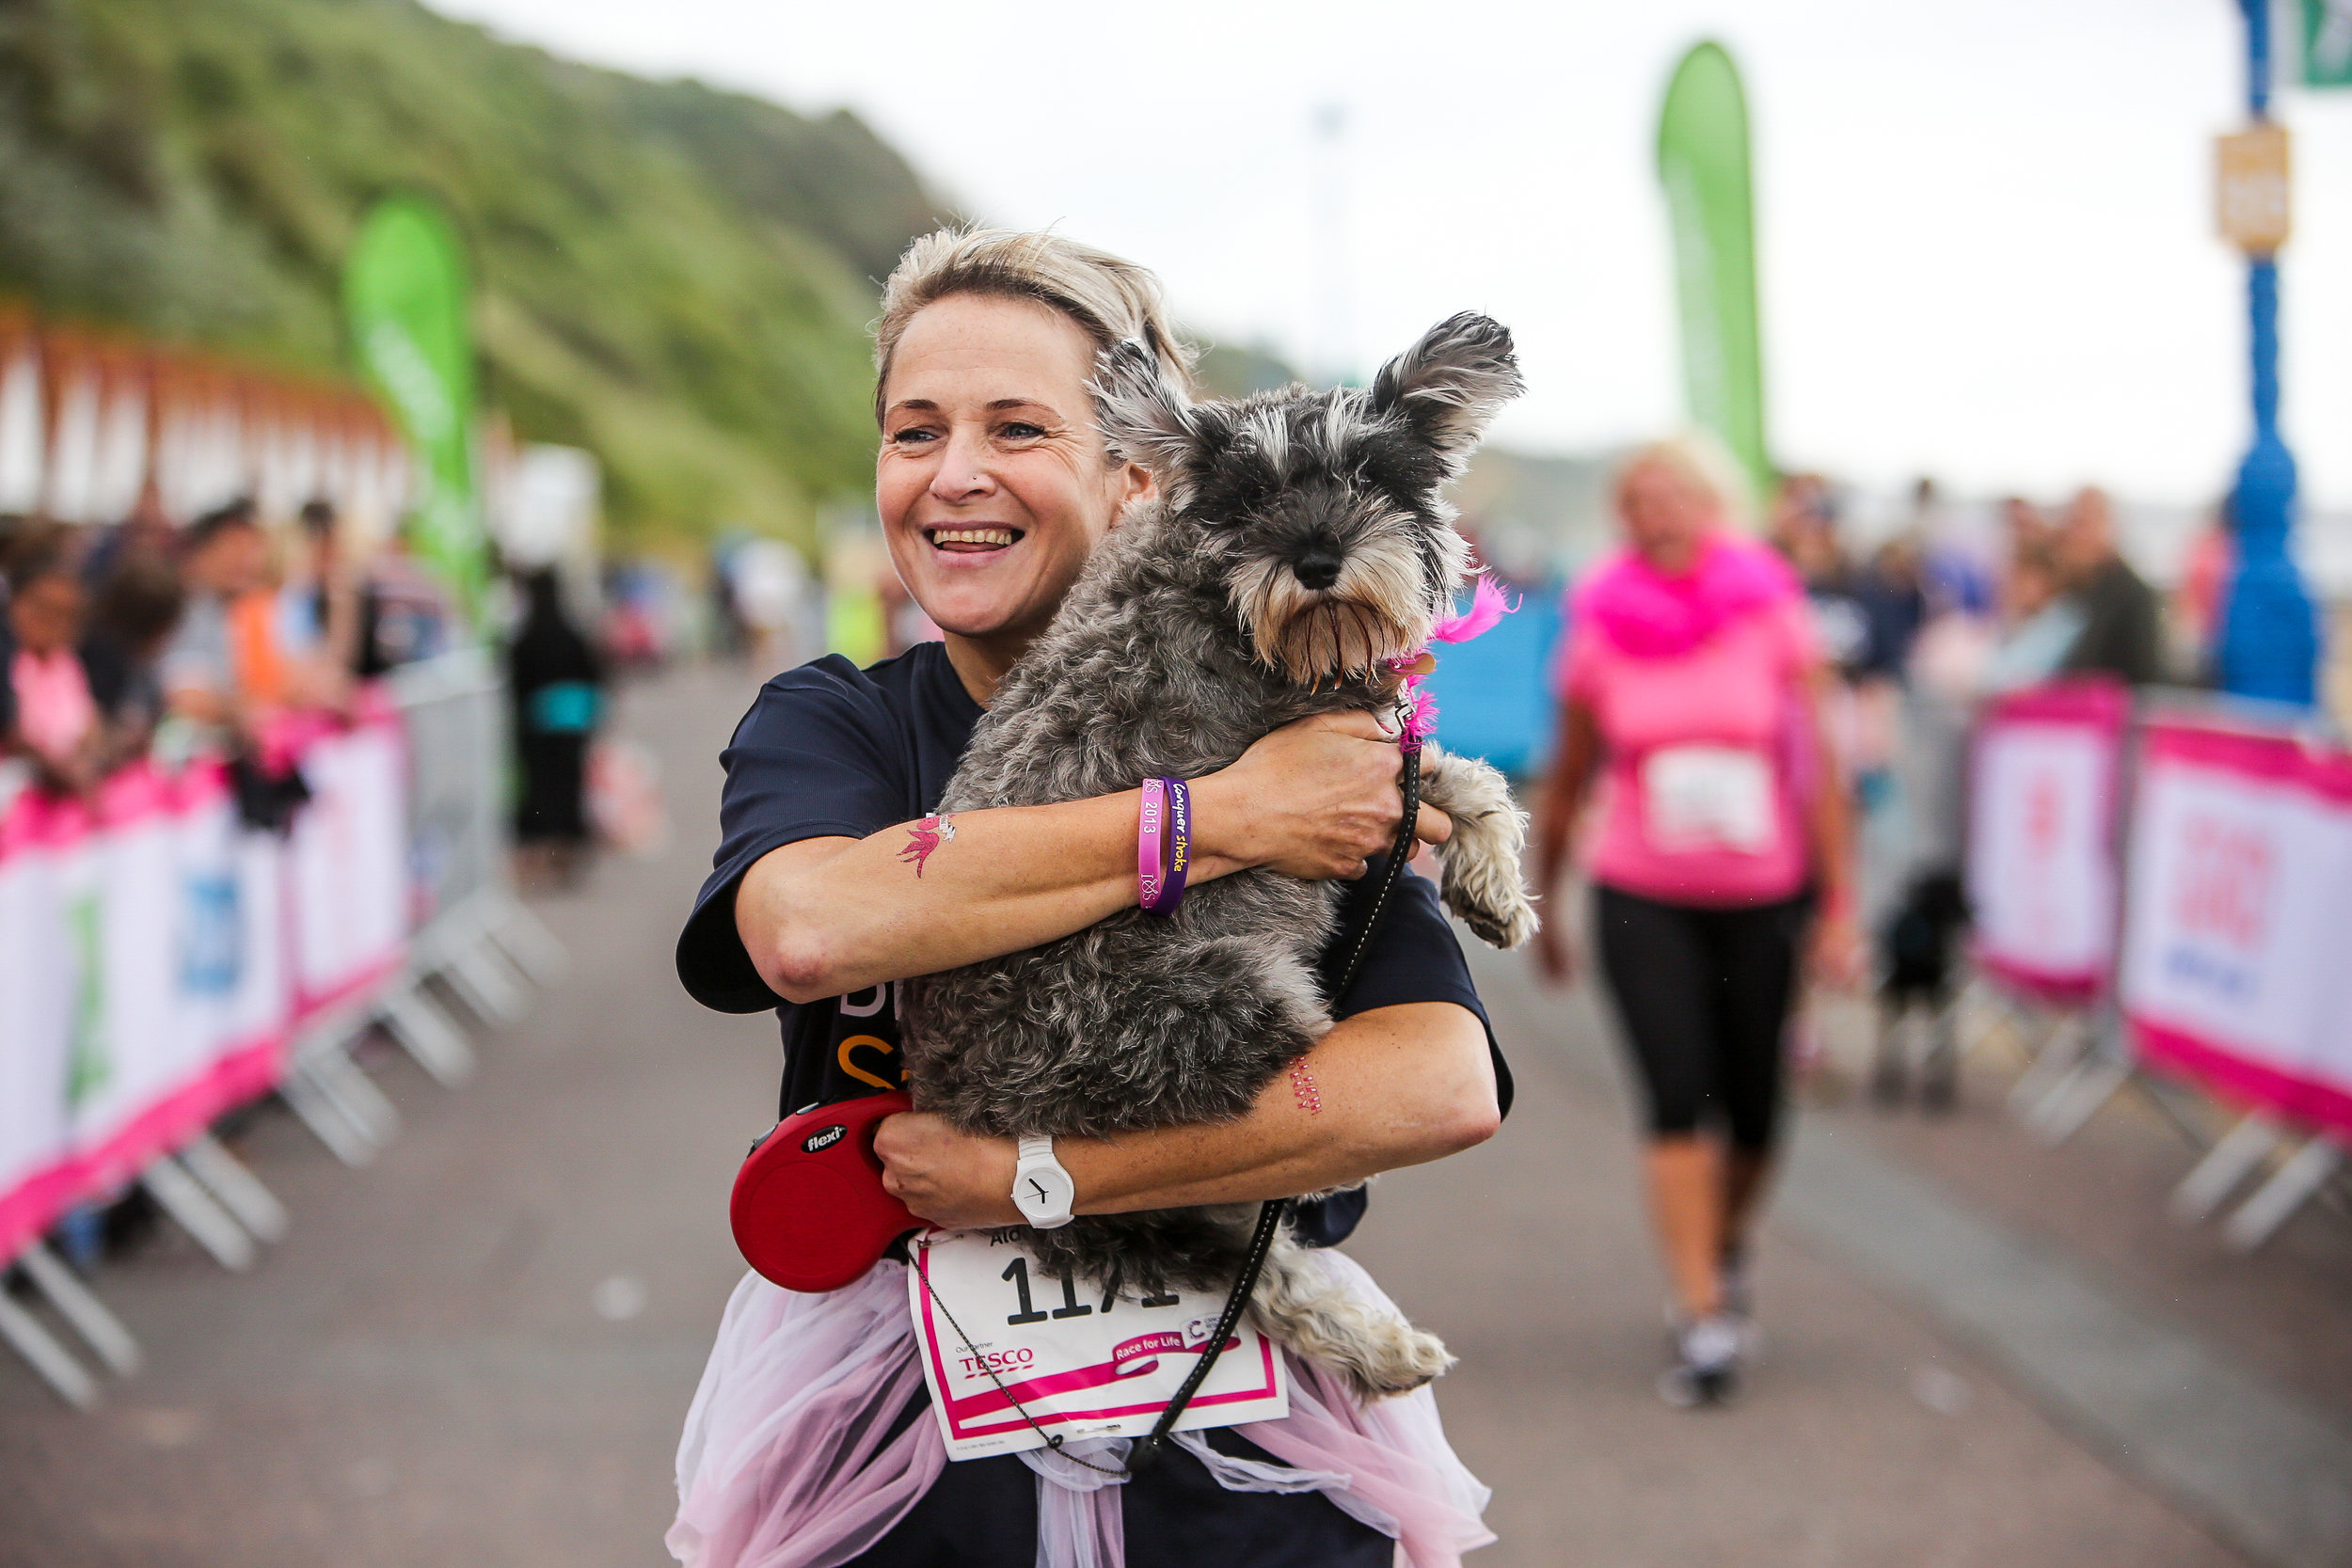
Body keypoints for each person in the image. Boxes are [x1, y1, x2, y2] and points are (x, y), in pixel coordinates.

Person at [671, 228, 1503, 1567]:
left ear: (1144, 476)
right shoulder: (835, 723)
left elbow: (1436, 1083)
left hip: (1244, 1413)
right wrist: (1220, 818)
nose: (955, 476)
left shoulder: (1309, 713)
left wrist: (1041, 1175)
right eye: (912, 430)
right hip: (901, 1439)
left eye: (1016, 428)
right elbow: (809, 925)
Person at [1531, 434, 1859, 1408]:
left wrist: (1839, 907)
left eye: (1672, 492)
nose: (1654, 511)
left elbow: (1823, 773)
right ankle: (1703, 1308)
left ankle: (1721, 1240)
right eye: (1635, 497)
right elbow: (1565, 781)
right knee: (1676, 1093)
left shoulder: (1771, 611)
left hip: (1765, 892)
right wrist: (1543, 903)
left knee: (1754, 1107)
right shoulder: (1597, 625)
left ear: (1713, 503)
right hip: (1641, 890)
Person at [507, 566, 603, 887]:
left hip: (538, 721)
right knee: (570, 785)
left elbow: (517, 680)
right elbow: (594, 672)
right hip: (574, 718)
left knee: (539, 786)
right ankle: (568, 849)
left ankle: (540, 848)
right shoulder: (572, 632)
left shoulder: (525, 636)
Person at [4, 526, 104, 795]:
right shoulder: (8, 659)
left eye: (66, 615)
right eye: (42, 608)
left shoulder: (66, 664)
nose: (52, 623)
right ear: (13, 602)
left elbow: (90, 725)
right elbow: (14, 735)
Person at [2054, 486, 2165, 685]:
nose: (2073, 535)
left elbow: (2146, 674)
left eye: (2082, 524)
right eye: (2070, 524)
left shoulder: (2131, 595)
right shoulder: (2078, 586)